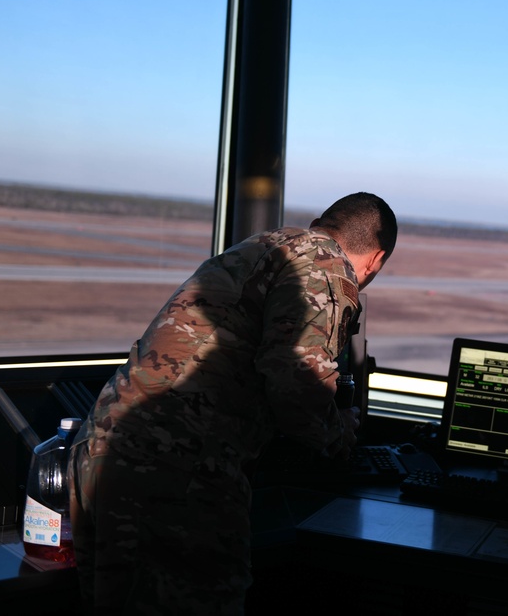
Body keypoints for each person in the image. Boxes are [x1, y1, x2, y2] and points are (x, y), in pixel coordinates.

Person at [68, 192, 397, 615]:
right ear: (377, 259)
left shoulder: (265, 246)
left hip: (105, 453)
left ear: (321, 221)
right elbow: (295, 377)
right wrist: (337, 433)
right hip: (177, 471)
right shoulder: (327, 267)